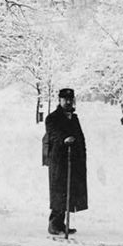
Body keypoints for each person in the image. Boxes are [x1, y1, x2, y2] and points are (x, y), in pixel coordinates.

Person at [42, 88, 88, 235]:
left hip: (73, 159)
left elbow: (80, 136)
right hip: (59, 160)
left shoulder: (74, 118)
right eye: (65, 99)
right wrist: (64, 139)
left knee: (70, 192)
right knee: (59, 191)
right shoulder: (52, 118)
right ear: (59, 100)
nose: (68, 102)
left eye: (70, 99)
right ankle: (54, 224)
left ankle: (61, 224)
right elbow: (53, 134)